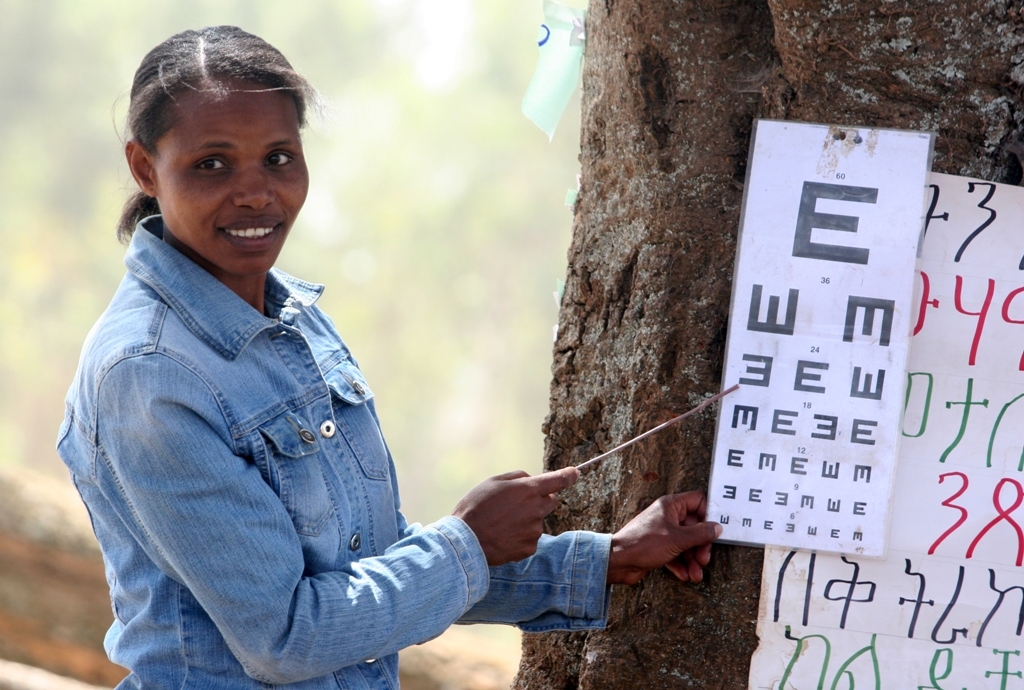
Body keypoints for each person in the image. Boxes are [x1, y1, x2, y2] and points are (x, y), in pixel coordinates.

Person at [56, 26, 721, 689]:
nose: (256, 193)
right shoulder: (148, 375)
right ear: (145, 167)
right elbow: (284, 637)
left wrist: (605, 560)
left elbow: (368, 562)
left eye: (279, 158)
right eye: (213, 164)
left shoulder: (294, 321)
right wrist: (466, 541)